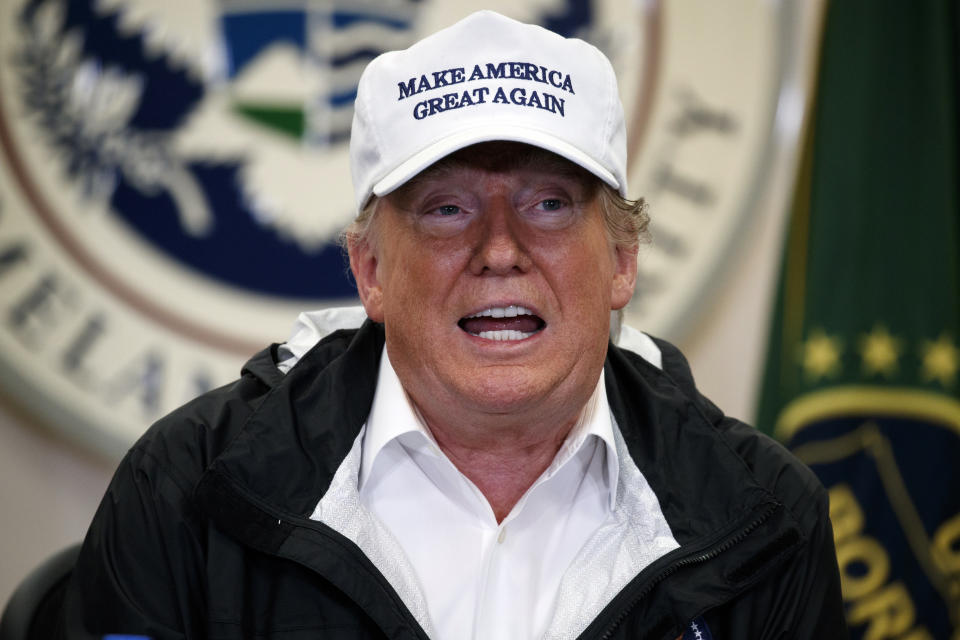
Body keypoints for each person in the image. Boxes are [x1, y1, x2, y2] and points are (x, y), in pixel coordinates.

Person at [59, 10, 848, 640]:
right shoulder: (188, 487)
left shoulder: (765, 515)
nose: (500, 250)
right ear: (369, 270)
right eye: (446, 209)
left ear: (621, 262)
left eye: (548, 204)